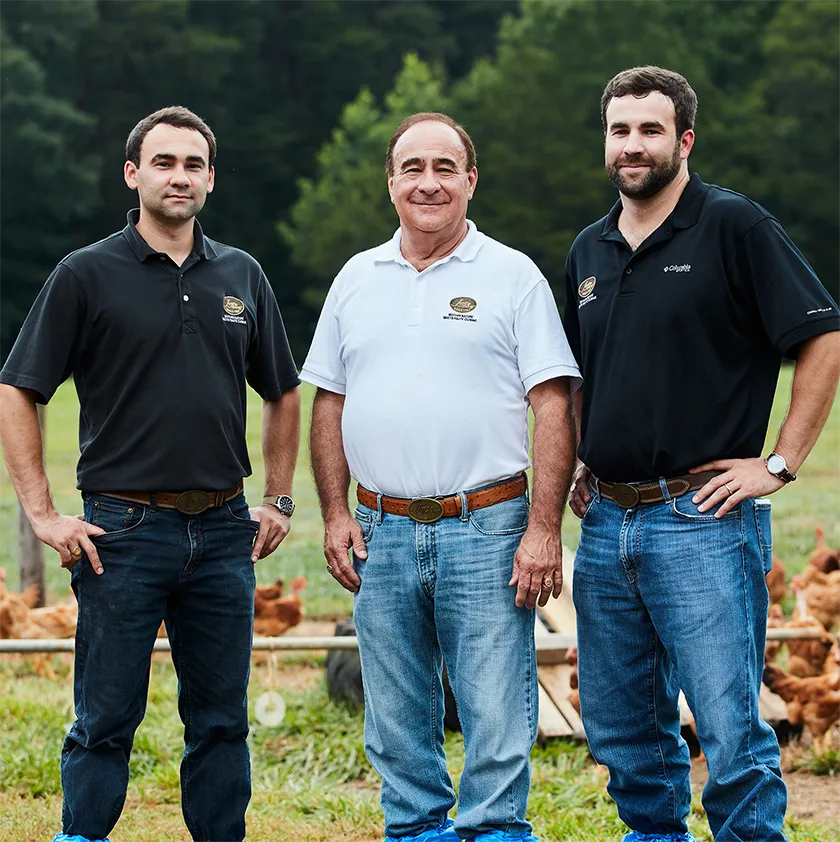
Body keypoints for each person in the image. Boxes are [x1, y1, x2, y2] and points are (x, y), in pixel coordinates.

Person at [0, 106, 301, 842]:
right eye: (164, 163)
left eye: (193, 165)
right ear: (133, 174)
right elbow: (19, 387)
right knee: (105, 718)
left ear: (210, 180)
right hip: (122, 532)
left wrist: (280, 499)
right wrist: (41, 514)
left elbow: (284, 391)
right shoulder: (85, 274)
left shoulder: (242, 275)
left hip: (225, 529)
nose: (179, 177)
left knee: (222, 720)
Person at [563, 66, 840, 842]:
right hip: (608, 522)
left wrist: (779, 463)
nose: (633, 144)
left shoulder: (734, 227)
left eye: (651, 129)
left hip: (703, 517)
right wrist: (587, 454)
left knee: (727, 726)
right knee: (621, 727)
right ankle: (656, 836)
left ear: (684, 140)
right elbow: (587, 369)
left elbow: (823, 336)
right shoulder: (589, 249)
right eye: (620, 129)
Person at [301, 112, 580, 842]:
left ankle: (494, 831)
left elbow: (552, 402)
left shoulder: (512, 275)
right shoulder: (356, 279)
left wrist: (544, 529)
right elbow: (326, 402)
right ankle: (416, 830)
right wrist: (335, 514)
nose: (429, 183)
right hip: (378, 527)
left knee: (495, 707)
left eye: (445, 168)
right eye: (413, 169)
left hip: (486, 524)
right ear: (391, 181)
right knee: (395, 709)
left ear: (471, 180)